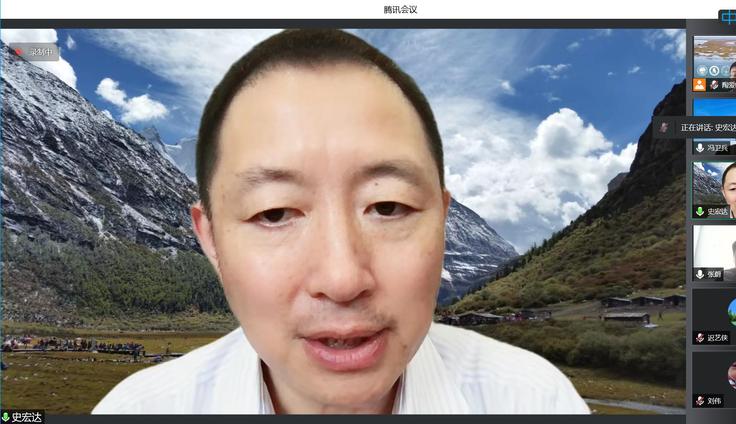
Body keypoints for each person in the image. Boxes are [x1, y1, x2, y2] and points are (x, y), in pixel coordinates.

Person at [93, 29, 588, 415]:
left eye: (388, 206)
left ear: (443, 220)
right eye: (274, 213)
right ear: (212, 240)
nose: (343, 278)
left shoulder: (534, 400)